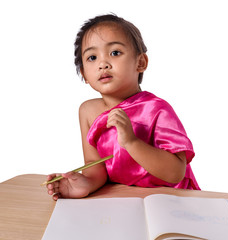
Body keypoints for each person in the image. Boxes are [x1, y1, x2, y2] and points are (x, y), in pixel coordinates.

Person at [46, 13, 200, 200]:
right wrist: (85, 184)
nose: (103, 64)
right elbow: (95, 164)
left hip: (170, 200)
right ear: (84, 74)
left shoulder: (157, 109)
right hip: (123, 199)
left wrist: (132, 142)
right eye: (92, 57)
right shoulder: (87, 111)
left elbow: (176, 172)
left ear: (140, 62)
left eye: (115, 53)